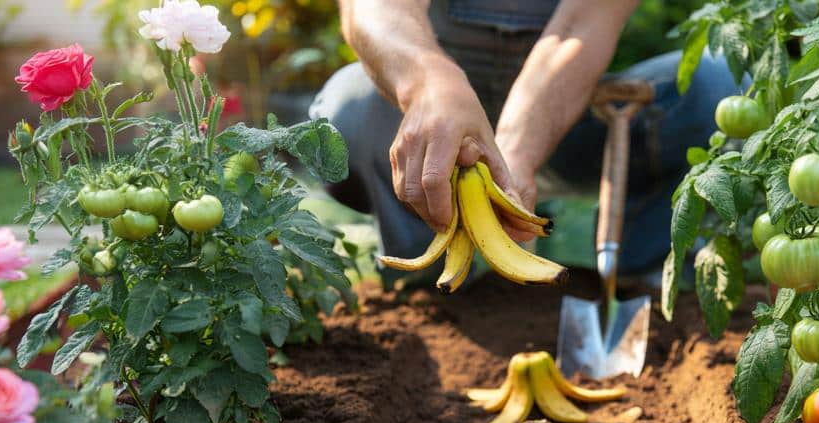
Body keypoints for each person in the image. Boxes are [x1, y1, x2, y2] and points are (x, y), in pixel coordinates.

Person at [310, 0, 737, 277]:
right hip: (436, 128)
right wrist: (430, 84)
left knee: (720, 83)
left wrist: (514, 152)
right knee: (347, 111)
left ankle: (639, 274)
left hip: (567, 119)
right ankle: (427, 283)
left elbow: (580, 27)